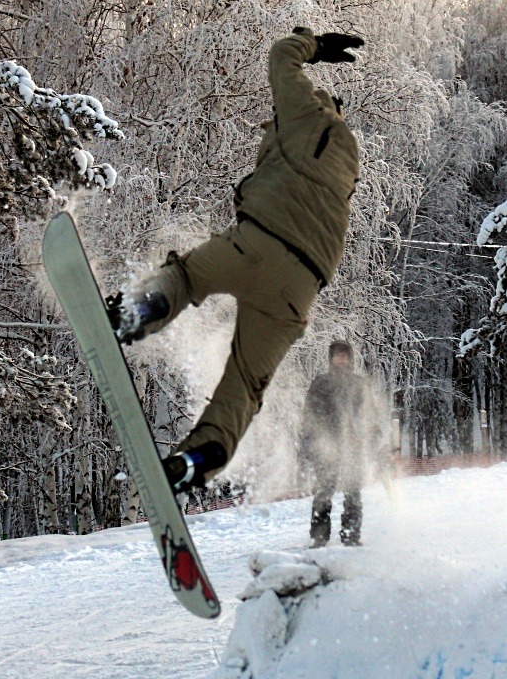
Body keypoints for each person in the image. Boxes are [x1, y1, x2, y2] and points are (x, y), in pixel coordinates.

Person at [107, 27, 364, 491]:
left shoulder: (302, 111)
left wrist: (315, 46)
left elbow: (282, 54)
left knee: (184, 276)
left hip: (257, 241)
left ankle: (137, 313)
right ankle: (199, 459)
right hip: (300, 290)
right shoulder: (349, 162)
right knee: (244, 386)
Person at [300, 340, 384, 547]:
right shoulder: (321, 383)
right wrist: (310, 437)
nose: (341, 359)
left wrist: (373, 433)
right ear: (331, 358)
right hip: (326, 444)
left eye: (345, 356)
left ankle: (351, 534)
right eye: (338, 355)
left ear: (350, 358)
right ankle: (319, 536)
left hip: (352, 445)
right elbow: (310, 412)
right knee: (324, 491)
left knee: (353, 490)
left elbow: (369, 412)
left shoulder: (358, 383)